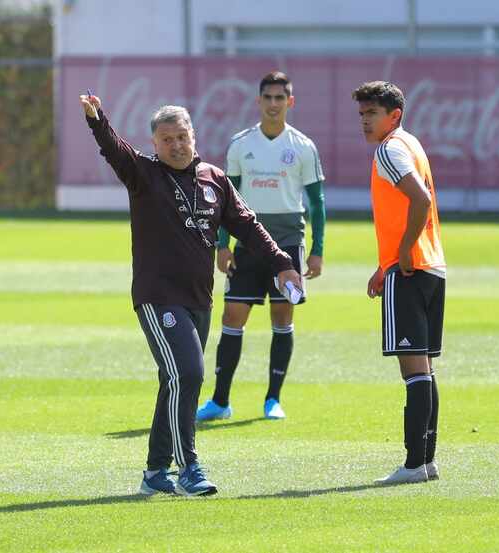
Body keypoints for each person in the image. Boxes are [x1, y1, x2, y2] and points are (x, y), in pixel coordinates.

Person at [79, 92, 301, 496]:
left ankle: (154, 472)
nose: (177, 145)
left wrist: (282, 261)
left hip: (199, 299)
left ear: (194, 137)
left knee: (175, 380)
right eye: (167, 140)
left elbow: (248, 225)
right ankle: (189, 468)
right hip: (157, 296)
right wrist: (97, 119)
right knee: (189, 373)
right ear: (155, 145)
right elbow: (114, 149)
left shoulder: (214, 179)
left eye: (182, 137)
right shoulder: (143, 175)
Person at [196, 71, 326, 422]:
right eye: (267, 98)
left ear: (290, 102)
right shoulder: (241, 144)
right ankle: (220, 401)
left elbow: (316, 202)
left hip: (287, 245)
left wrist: (317, 249)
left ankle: (273, 399)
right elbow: (224, 199)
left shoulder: (303, 147)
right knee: (232, 316)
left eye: (279, 98)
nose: (273, 104)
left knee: (282, 317)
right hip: (248, 245)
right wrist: (222, 246)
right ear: (258, 101)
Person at [352, 81, 446, 485]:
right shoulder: (411, 143)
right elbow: (410, 206)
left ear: (394, 115)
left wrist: (402, 253)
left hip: (410, 270)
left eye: (371, 113)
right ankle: (426, 461)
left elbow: (421, 199)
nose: (365, 121)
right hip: (430, 268)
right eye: (361, 114)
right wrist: (385, 263)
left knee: (414, 372)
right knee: (425, 369)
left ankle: (412, 465)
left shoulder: (389, 149)